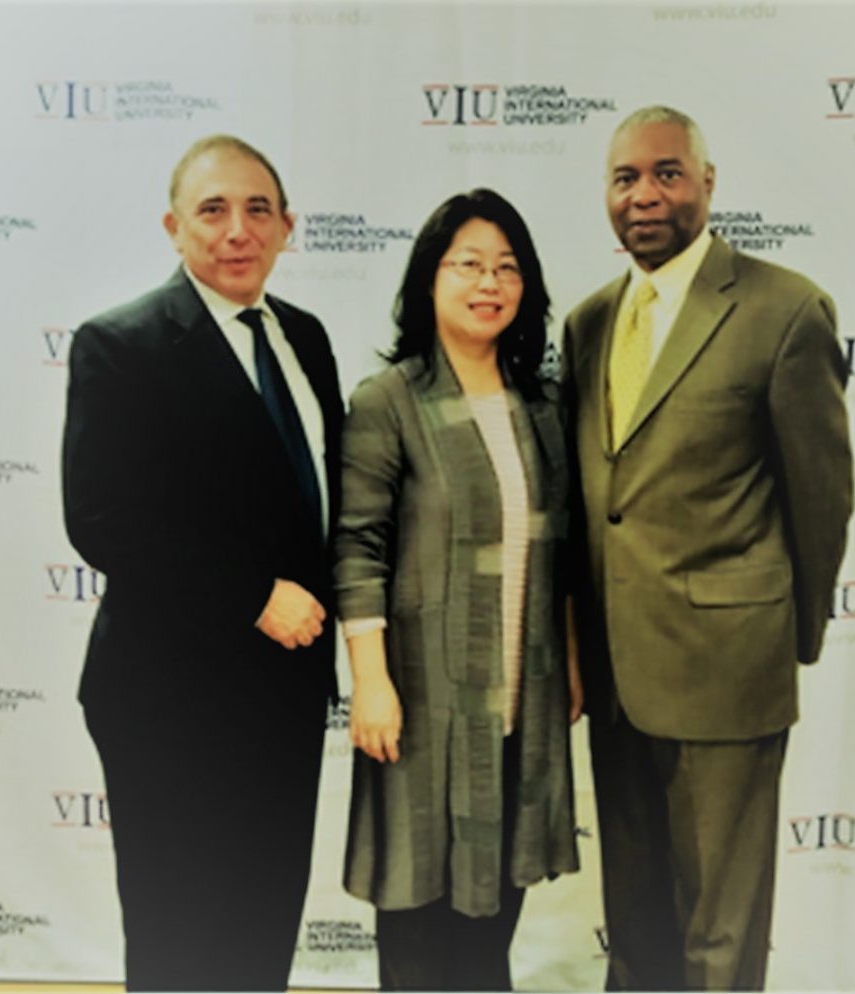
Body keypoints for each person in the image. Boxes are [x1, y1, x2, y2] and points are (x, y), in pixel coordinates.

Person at [562, 106, 854, 991]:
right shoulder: (586, 323)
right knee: (639, 923)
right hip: (617, 681)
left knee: (721, 938)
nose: (644, 195)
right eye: (624, 179)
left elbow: (822, 501)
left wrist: (781, 643)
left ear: (707, 182)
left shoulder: (783, 309)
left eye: (666, 173)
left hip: (731, 675)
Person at [61, 134, 343, 992]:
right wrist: (253, 596)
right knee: (180, 931)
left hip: (286, 694)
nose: (237, 230)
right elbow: (102, 518)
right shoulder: (123, 344)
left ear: (288, 227)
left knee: (264, 921)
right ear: (173, 226)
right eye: (214, 209)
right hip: (168, 700)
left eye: (259, 209)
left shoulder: (305, 336)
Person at [334, 188, 581, 992]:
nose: (489, 283)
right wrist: (369, 681)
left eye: (507, 267)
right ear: (429, 280)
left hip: (521, 700)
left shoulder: (540, 405)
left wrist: (570, 661)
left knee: (489, 933)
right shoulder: (390, 401)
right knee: (416, 928)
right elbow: (359, 545)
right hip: (421, 700)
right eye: (468, 264)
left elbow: (563, 553)